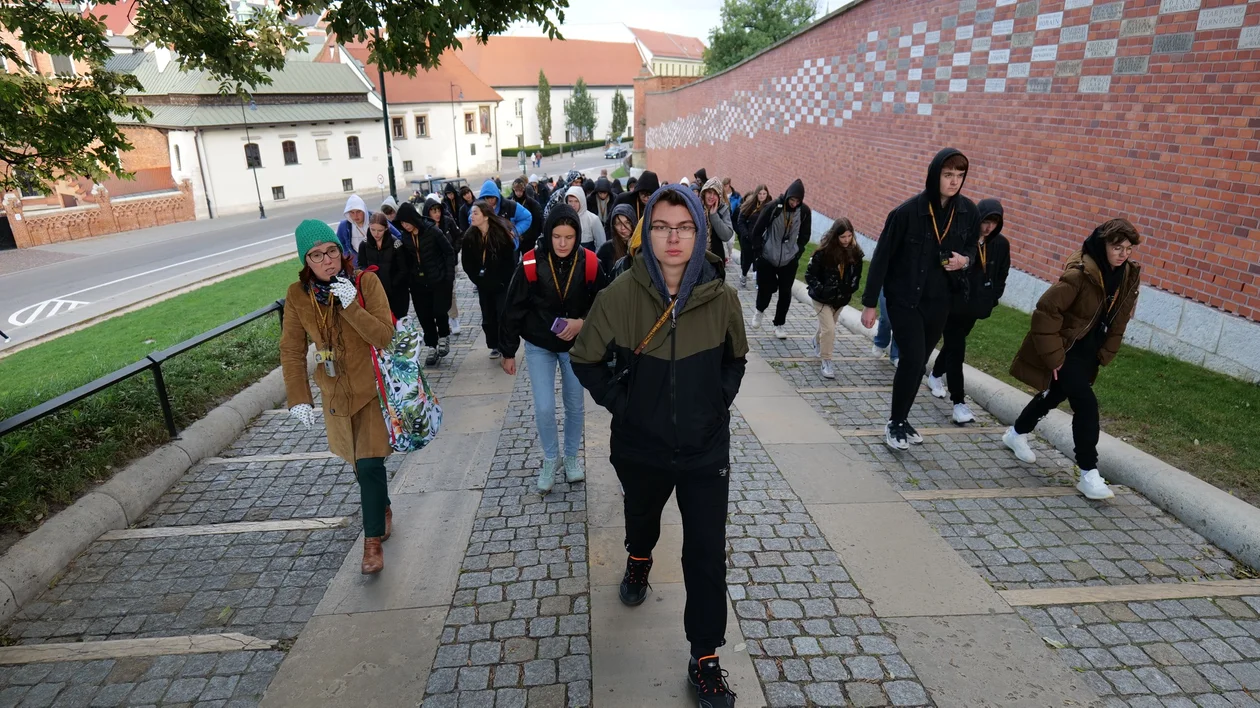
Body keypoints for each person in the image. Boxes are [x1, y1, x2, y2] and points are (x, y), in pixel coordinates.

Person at [571, 184, 746, 708]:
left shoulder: (721, 297)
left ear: (699, 232)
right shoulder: (620, 294)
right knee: (642, 517)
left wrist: (714, 404)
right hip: (641, 448)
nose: (674, 238)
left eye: (685, 227)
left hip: (704, 451)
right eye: (663, 227)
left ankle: (705, 657)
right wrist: (624, 406)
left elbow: (735, 359)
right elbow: (584, 358)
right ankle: (639, 556)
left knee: (706, 553)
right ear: (648, 233)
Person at [280, 220, 396, 574]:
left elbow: (384, 336)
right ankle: (382, 506)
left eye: (331, 250)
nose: (327, 260)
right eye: (316, 255)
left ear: (340, 251)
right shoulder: (298, 295)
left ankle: (372, 543)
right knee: (360, 467)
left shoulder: (365, 283)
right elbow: (291, 349)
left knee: (370, 463)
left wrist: (351, 305)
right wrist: (299, 397)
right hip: (335, 396)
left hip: (370, 390)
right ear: (306, 261)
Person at [1004, 219, 1142, 500]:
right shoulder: (1080, 274)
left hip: (1090, 349)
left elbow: (1121, 316)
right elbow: (1046, 310)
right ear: (1102, 245)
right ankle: (1089, 473)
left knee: (1053, 395)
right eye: (1117, 247)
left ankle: (1016, 434)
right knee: (1086, 405)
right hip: (1067, 348)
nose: (1123, 254)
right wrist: (1054, 357)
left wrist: (1107, 349)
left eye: (1128, 249)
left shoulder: (1127, 273)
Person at [860, 148, 979, 451]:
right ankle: (894, 422)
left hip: (940, 302)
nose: (954, 181)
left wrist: (964, 261)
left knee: (919, 363)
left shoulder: (968, 211)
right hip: (905, 300)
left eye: (960, 175)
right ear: (935, 175)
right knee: (912, 360)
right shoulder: (907, 213)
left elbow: (972, 249)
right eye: (948, 174)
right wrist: (870, 303)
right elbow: (881, 258)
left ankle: (902, 418)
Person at [500, 204, 608, 492]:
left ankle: (571, 457)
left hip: (575, 347)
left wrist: (582, 323)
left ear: (577, 236)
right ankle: (551, 458)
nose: (562, 243)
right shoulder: (531, 263)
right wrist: (508, 351)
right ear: (548, 234)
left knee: (575, 404)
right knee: (545, 406)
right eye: (557, 236)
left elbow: (604, 304)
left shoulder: (589, 262)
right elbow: (513, 308)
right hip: (540, 345)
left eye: (569, 237)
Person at [927, 199, 1011, 423]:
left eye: (994, 222)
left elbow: (1002, 273)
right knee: (957, 350)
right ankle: (959, 403)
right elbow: (943, 260)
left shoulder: (1001, 245)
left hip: (975, 306)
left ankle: (935, 374)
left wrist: (993, 298)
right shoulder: (964, 237)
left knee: (954, 345)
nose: (989, 227)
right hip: (953, 304)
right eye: (985, 221)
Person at [750, 179, 812, 339]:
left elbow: (805, 234)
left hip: (789, 259)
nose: (794, 203)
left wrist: (797, 251)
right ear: (788, 196)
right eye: (792, 200)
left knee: (785, 293)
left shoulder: (804, 211)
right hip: (768, 255)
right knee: (765, 288)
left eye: (798, 201)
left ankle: (779, 324)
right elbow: (757, 230)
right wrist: (759, 253)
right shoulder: (774, 207)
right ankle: (759, 311)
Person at [396, 201, 455, 366]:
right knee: (424, 315)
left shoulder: (432, 231)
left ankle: (443, 336)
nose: (405, 226)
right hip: (418, 283)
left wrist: (449, 276)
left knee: (439, 310)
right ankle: (431, 345)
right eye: (402, 223)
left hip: (438, 279)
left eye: (407, 222)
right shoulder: (405, 237)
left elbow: (449, 252)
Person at [804, 219, 864, 380]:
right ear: (835, 236)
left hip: (841, 299)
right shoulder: (823, 253)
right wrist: (821, 289)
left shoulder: (856, 253)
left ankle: (817, 340)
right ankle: (827, 360)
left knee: (827, 327)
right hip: (821, 298)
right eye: (842, 237)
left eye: (849, 236)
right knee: (829, 329)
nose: (846, 240)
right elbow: (810, 275)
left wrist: (851, 288)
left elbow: (857, 276)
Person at [464, 200, 519, 358]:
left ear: (486, 216)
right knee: (488, 316)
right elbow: (467, 263)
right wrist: (478, 279)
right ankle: (494, 344)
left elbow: (510, 262)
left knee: (502, 314)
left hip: (501, 283)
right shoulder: (470, 236)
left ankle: (505, 345)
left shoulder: (501, 234)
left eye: (475, 213)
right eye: (471, 213)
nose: (472, 216)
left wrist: (502, 281)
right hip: (483, 284)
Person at [423, 197, 465, 335]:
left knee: (450, 291)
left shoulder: (448, 221)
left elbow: (459, 236)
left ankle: (453, 318)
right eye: (433, 211)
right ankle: (442, 319)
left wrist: (454, 250)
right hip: (433, 267)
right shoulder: (424, 226)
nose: (437, 214)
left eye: (438, 210)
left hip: (448, 264)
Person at [358, 213, 410, 320]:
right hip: (375, 292)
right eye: (373, 230)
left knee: (398, 320)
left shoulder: (396, 244)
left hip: (396, 292)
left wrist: (392, 284)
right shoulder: (364, 245)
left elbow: (403, 270)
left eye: (380, 230)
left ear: (386, 228)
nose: (376, 234)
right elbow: (361, 266)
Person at [735, 184, 772, 289]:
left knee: (759, 260)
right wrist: (746, 234)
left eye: (764, 194)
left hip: (761, 239)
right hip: (748, 238)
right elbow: (741, 221)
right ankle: (744, 275)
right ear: (756, 194)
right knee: (746, 260)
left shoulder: (769, 206)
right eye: (760, 193)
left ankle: (757, 280)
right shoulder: (750, 205)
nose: (762, 196)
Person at [700, 178, 734, 262]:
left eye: (715, 194)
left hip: (714, 256)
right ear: (704, 192)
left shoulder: (723, 209)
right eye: (709, 192)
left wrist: (714, 215)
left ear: (719, 196)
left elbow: (726, 236)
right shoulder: (696, 207)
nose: (711, 196)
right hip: (696, 255)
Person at [565, 185, 606, 251]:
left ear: (582, 201)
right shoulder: (564, 219)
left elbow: (601, 244)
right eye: (570, 201)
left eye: (576, 201)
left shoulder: (593, 219)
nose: (573, 205)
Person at [599, 203, 636, 276]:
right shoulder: (606, 248)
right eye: (618, 223)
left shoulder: (641, 247)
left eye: (627, 223)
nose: (623, 228)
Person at [510, 176, 545, 253]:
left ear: (524, 190)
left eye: (520, 190)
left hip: (529, 239)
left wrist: (535, 236)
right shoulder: (510, 203)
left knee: (528, 258)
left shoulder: (532, 203)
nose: (518, 193)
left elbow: (538, 220)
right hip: (514, 238)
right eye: (516, 191)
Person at [336, 195, 373, 267]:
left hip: (375, 263)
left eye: (358, 211)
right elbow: (338, 244)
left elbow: (395, 235)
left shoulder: (376, 220)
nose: (355, 216)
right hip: (356, 266)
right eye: (352, 212)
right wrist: (347, 255)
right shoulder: (344, 226)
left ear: (364, 210)